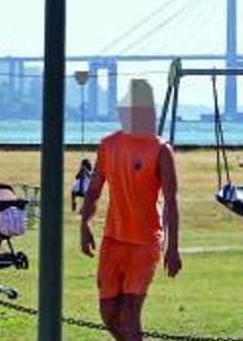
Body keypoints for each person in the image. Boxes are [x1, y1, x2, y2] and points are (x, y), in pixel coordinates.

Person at [80, 79, 182, 341]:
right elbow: (94, 190)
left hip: (145, 243)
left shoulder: (161, 150)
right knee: (108, 313)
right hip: (113, 239)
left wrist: (172, 248)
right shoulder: (108, 144)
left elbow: (171, 201)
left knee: (129, 313)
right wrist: (85, 225)